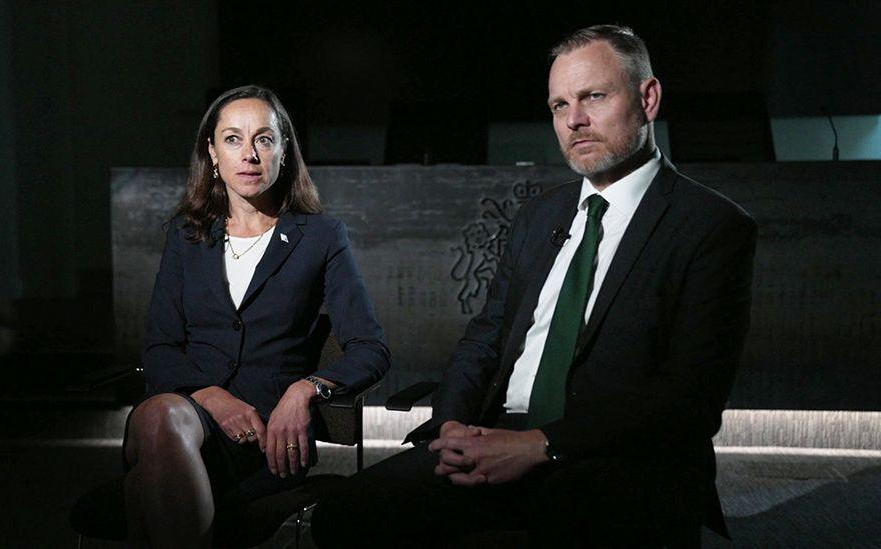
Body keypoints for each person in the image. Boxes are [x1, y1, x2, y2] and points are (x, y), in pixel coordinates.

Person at [312, 25, 756, 548]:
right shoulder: (539, 214)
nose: (574, 120)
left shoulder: (710, 226)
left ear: (648, 98)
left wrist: (538, 446)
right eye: (558, 104)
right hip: (490, 433)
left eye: (594, 96)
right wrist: (452, 425)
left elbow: (689, 399)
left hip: (611, 459)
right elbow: (485, 338)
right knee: (346, 513)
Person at [122, 85, 390, 548]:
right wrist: (212, 399)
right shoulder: (186, 235)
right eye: (232, 139)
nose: (249, 154)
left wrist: (306, 389)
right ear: (211, 152)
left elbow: (371, 350)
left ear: (284, 152)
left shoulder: (321, 237)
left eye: (264, 139)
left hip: (266, 437)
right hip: (189, 418)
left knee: (145, 487)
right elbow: (161, 348)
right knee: (160, 416)